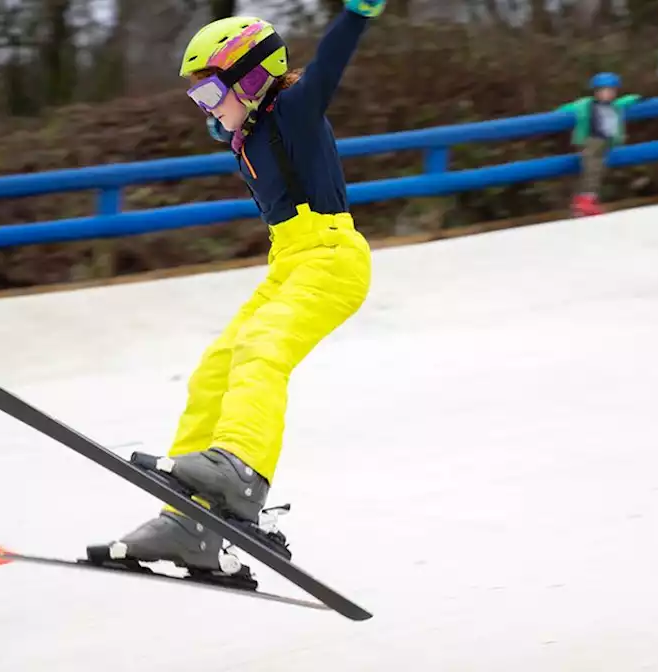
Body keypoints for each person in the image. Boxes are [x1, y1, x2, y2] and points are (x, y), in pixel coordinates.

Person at [88, 1, 385, 577]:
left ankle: (241, 470)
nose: (203, 109)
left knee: (261, 349)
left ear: (250, 81)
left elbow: (327, 66)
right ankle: (188, 523)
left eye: (208, 95)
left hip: (332, 258)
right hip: (289, 263)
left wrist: (357, 13)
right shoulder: (246, 136)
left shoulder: (294, 111)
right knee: (215, 369)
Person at [557, 72, 642, 217]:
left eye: (611, 91)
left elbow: (626, 101)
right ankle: (585, 200)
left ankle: (586, 200)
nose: (607, 94)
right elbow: (566, 110)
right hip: (590, 141)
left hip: (606, 143)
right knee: (592, 170)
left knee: (599, 170)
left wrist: (636, 98)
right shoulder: (585, 104)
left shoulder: (615, 106)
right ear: (596, 92)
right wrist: (557, 114)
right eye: (603, 91)